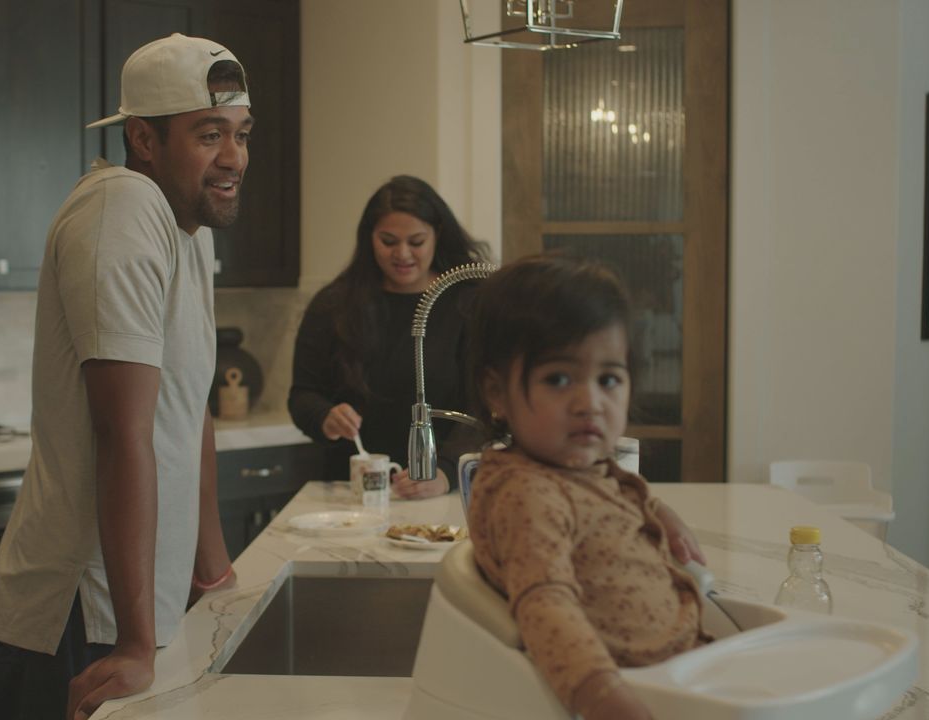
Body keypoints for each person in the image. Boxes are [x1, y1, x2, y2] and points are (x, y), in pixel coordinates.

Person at [0, 33, 252, 720]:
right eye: (209, 134)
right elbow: (120, 431)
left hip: (131, 611)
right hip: (79, 615)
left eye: (242, 135)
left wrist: (211, 572)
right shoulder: (120, 208)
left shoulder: (189, 232)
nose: (235, 158)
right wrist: (133, 640)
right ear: (144, 138)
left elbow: (190, 414)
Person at [464, 254, 708, 720]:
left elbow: (612, 495)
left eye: (609, 378)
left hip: (682, 669)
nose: (590, 402)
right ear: (497, 393)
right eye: (558, 378)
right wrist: (602, 699)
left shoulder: (577, 466)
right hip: (637, 690)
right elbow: (546, 604)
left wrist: (661, 515)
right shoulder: (529, 493)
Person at [288, 175, 488, 499]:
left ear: (438, 234)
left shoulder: (467, 301)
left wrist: (446, 471)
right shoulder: (334, 304)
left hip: (441, 491)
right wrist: (325, 417)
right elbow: (302, 396)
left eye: (416, 241)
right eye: (389, 241)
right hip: (352, 493)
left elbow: (484, 404)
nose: (403, 254)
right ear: (369, 238)